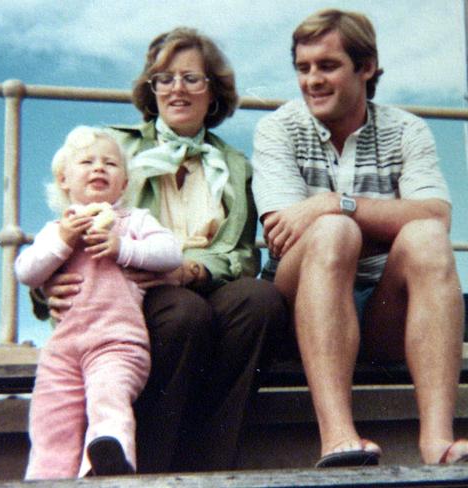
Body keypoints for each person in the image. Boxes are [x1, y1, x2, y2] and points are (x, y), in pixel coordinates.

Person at [251, 8, 468, 467]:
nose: (312, 80)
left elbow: (435, 215)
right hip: (299, 309)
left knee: (424, 237)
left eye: (327, 66)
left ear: (365, 67)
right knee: (332, 234)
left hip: (380, 313)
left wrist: (336, 202)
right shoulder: (279, 129)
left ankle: (438, 442)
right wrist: (368, 222)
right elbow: (284, 234)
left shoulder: (406, 129)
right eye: (303, 68)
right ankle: (337, 437)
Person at [35, 27, 288, 472]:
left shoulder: (235, 166)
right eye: (165, 78)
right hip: (133, 290)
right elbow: (64, 223)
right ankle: (149, 468)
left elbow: (243, 256)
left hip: (202, 278)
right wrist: (44, 290)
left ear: (214, 93)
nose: (177, 89)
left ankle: (214, 468)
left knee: (260, 301)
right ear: (151, 90)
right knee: (183, 313)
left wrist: (192, 270)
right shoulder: (116, 147)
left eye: (192, 78)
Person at [17, 126, 183, 479]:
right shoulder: (57, 229)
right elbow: (26, 272)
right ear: (64, 179)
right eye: (87, 162)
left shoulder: (132, 221)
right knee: (51, 418)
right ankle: (45, 478)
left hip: (117, 343)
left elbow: (171, 254)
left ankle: (106, 465)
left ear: (123, 183)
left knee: (109, 400)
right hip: (63, 349)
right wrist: (63, 240)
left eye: (110, 163)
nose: (99, 168)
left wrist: (123, 247)